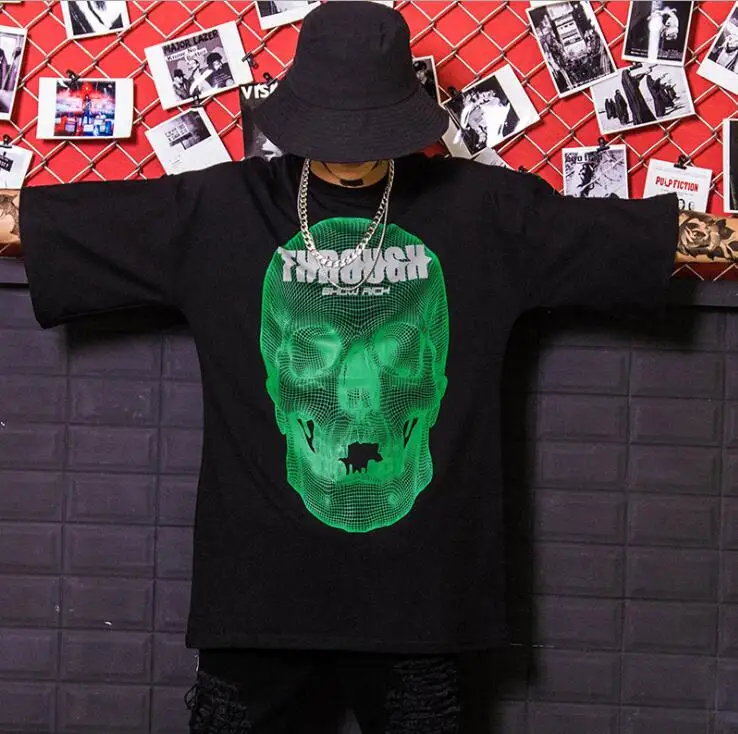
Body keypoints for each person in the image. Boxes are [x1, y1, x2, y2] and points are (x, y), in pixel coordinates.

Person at [2, 2, 737, 732]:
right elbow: (40, 223)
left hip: (418, 599)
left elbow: (656, 238)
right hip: (260, 596)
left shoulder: (486, 212)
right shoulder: (219, 209)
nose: (348, 152)